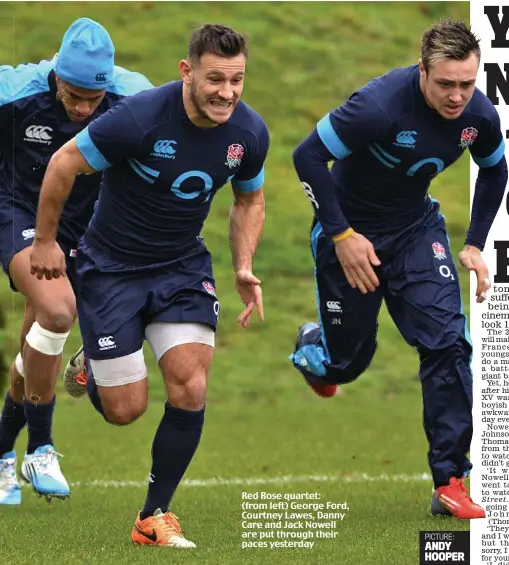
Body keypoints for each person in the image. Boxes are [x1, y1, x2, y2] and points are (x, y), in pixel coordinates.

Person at [30, 23, 268, 547]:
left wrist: (244, 266)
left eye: (237, 79)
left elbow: (250, 199)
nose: (227, 92)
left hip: (181, 268)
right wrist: (46, 241)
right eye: (215, 80)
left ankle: (152, 517)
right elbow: (63, 162)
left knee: (192, 384)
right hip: (110, 269)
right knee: (125, 410)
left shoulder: (248, 133)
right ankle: (93, 363)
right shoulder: (137, 119)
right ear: (187, 73)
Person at [289, 18, 506, 520]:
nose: (457, 97)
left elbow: (495, 168)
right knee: (349, 363)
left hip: (415, 232)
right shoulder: (378, 106)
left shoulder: (479, 113)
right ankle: (314, 349)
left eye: (467, 84)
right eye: (446, 84)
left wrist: (474, 244)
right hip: (349, 235)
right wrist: (342, 236)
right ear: (422, 71)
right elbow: (307, 158)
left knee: (449, 343)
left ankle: (450, 480)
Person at [0, 17, 153, 505]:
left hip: (84, 224)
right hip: (16, 211)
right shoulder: (14, 92)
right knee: (60, 310)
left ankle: (3, 451)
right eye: (75, 95)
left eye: (95, 99)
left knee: (38, 337)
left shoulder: (134, 98)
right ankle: (41, 446)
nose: (86, 109)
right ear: (57, 77)